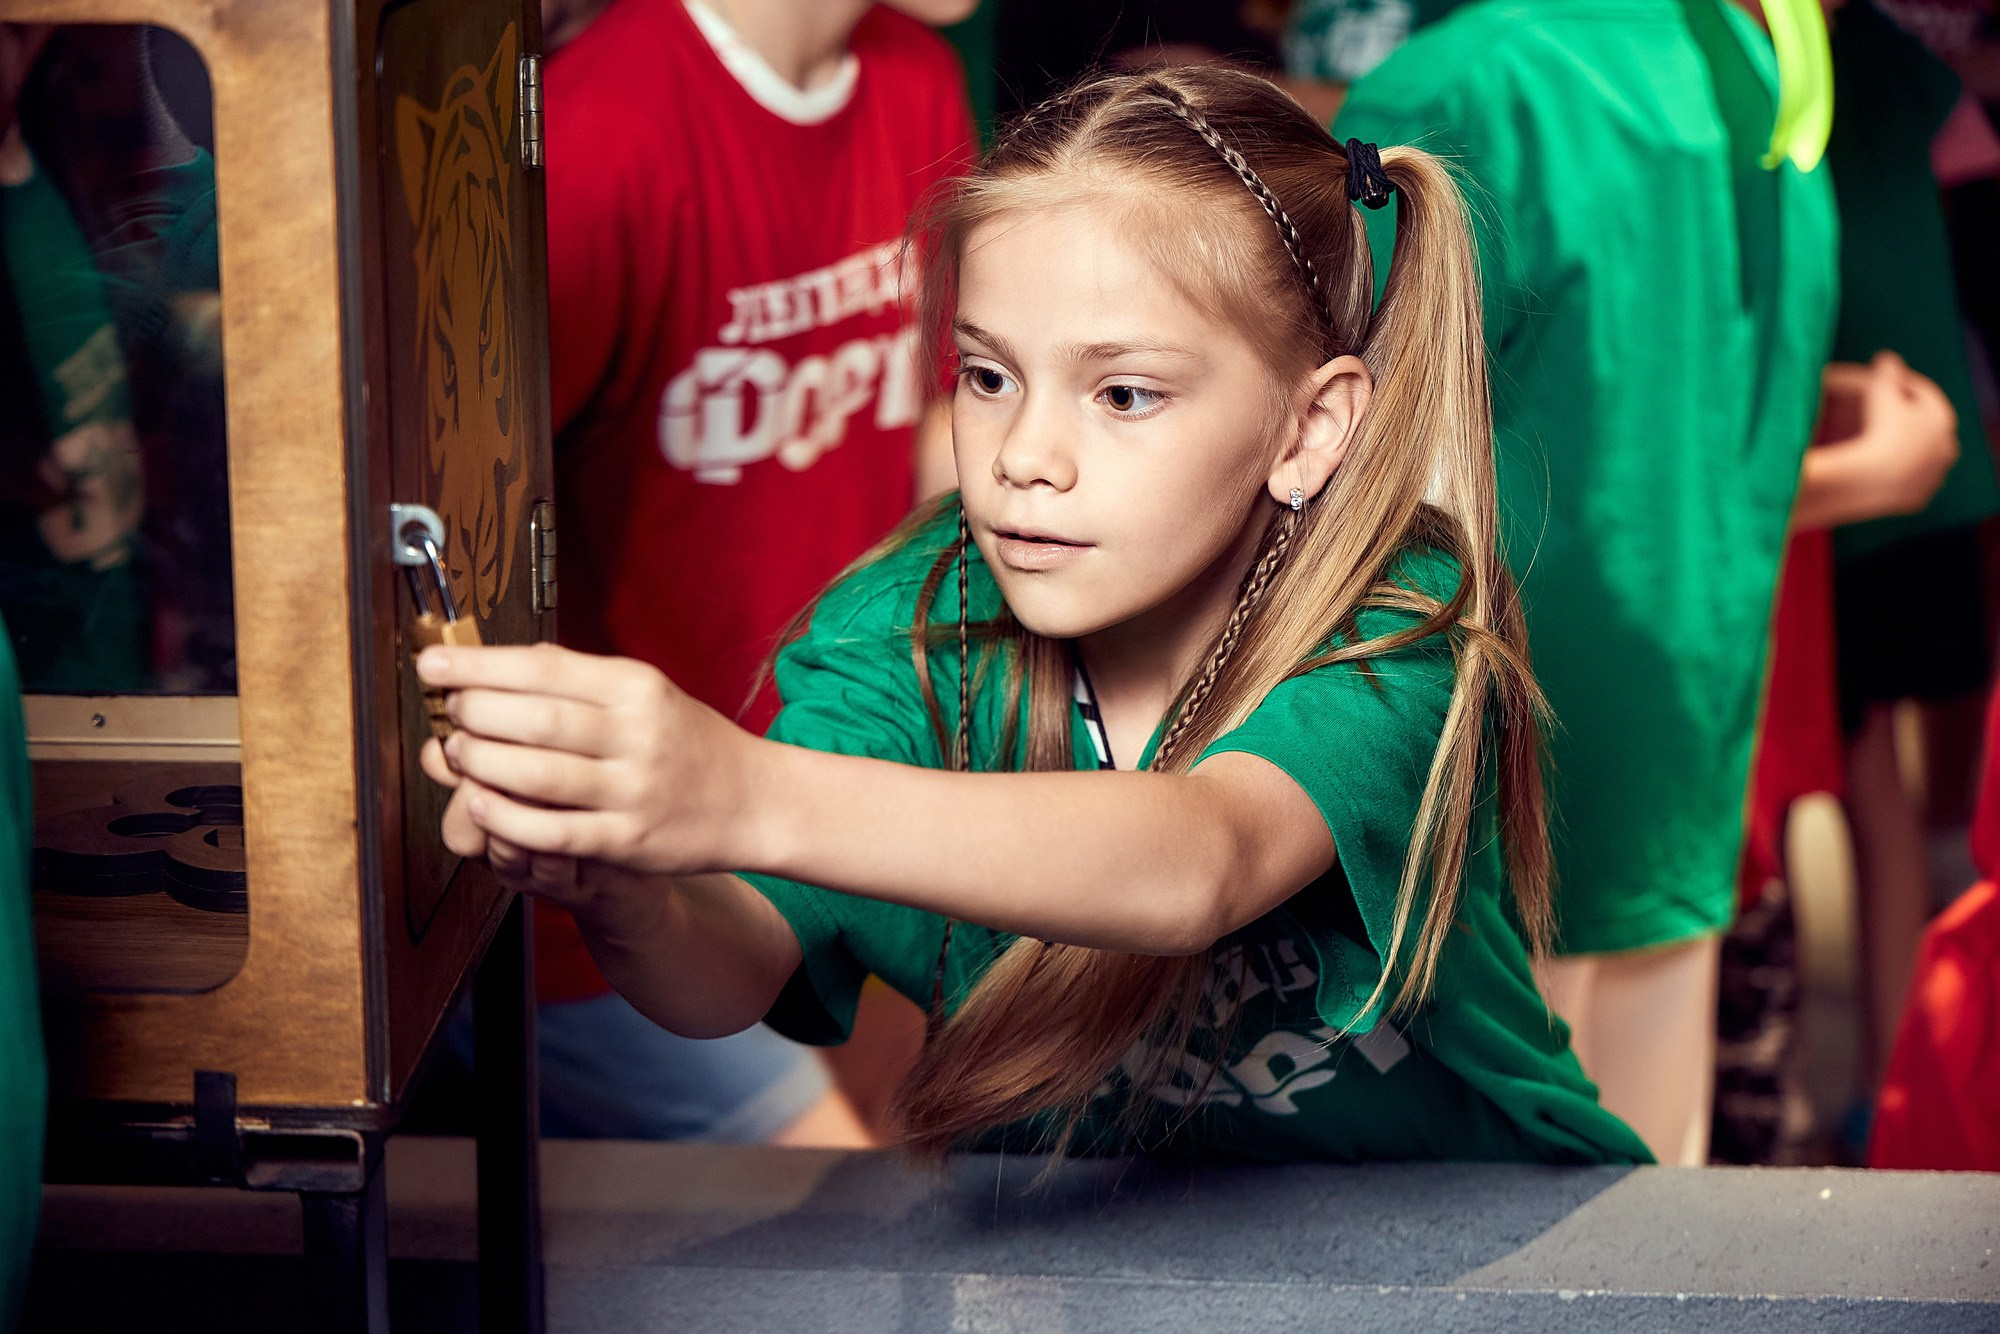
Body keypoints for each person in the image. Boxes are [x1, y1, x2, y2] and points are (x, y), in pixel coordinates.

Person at [415, 66, 1651, 1165]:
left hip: (1464, 1234)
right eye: (987, 376)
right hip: (1102, 1265)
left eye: (1121, 392)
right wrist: (631, 885)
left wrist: (734, 788)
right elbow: (735, 964)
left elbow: (1198, 860)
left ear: (1306, 427)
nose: (1024, 457)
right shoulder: (900, 630)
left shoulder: (1389, 616)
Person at [502, 0, 978, 1145]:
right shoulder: (596, 137)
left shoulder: (913, 76)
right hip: (621, 892)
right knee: (862, 1259)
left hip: (840, 807)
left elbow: (934, 425)